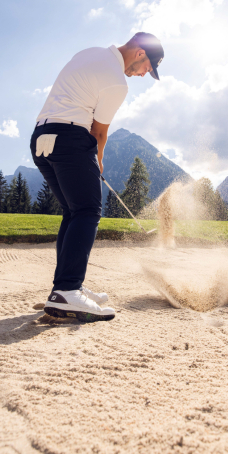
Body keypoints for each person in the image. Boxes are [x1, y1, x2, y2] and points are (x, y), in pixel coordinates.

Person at [30, 32, 164, 322]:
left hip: (41, 137)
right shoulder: (117, 80)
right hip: (70, 139)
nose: (143, 75)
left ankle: (64, 287)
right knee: (89, 210)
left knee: (73, 211)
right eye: (148, 69)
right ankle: (67, 290)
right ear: (140, 53)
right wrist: (97, 160)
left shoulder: (89, 52)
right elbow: (98, 131)